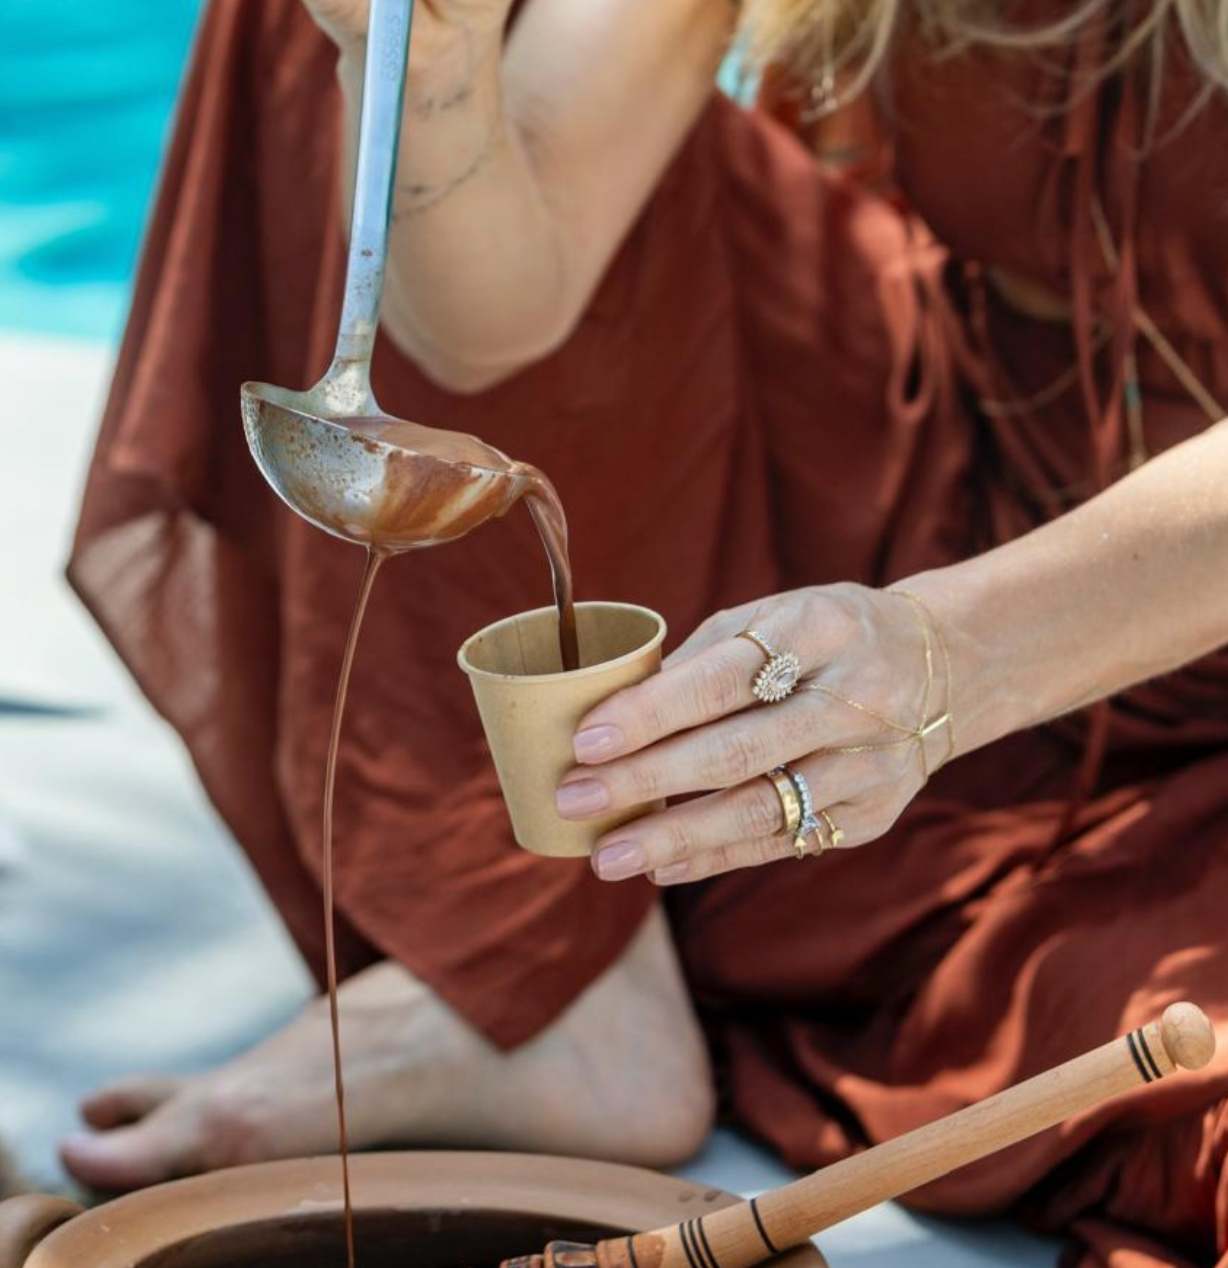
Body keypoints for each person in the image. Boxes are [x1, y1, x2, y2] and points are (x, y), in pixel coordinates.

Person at [62, 0, 1228, 1264]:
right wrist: (431, 66)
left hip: (1145, 604)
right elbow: (494, 317)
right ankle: (558, 965)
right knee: (331, 36)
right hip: (933, 464)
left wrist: (952, 651)